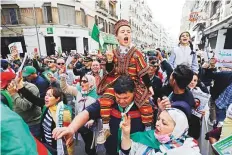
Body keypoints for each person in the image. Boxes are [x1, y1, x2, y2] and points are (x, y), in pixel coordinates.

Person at [52, 76, 170, 155]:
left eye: (126, 98)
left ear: (134, 93)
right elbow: (86, 113)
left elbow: (158, 125)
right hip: (111, 151)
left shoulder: (144, 105)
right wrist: (71, 128)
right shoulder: (108, 102)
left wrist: (161, 111)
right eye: (118, 98)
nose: (121, 101)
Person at [97, 19, 154, 142]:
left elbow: (143, 71)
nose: (126, 34)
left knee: (145, 104)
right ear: (117, 37)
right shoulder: (113, 52)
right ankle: (106, 128)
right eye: (122, 32)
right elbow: (109, 71)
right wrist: (110, 61)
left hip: (133, 83)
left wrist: (149, 86)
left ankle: (148, 130)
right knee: (105, 100)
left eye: (128, 31)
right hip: (116, 83)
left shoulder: (136, 53)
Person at [14, 79, 74, 155]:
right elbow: (34, 99)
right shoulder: (47, 106)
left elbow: (67, 137)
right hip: (46, 143)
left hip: (57, 147)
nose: (46, 97)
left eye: (49, 95)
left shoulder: (64, 113)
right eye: (46, 94)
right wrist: (21, 87)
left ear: (57, 99)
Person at [120, 108, 201, 155]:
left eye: (164, 123)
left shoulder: (188, 150)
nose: (157, 124)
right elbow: (128, 150)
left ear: (177, 130)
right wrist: (126, 134)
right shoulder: (149, 138)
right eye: (158, 119)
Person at [60, 72, 99, 155]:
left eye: (85, 81)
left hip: (91, 126)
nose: (82, 83)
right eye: (82, 81)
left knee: (90, 146)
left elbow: (100, 109)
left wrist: (93, 119)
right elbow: (65, 88)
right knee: (85, 141)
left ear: (91, 83)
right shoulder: (78, 91)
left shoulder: (97, 94)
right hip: (80, 123)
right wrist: (63, 78)